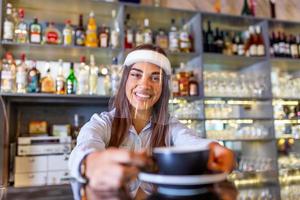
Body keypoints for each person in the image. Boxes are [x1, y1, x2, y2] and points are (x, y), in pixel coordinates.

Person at [69, 44, 235, 200]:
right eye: (136, 75)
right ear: (125, 80)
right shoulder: (103, 123)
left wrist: (214, 150)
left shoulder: (170, 127)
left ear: (163, 87)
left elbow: (192, 142)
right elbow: (85, 145)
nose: (144, 85)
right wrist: (90, 163)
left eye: (155, 78)